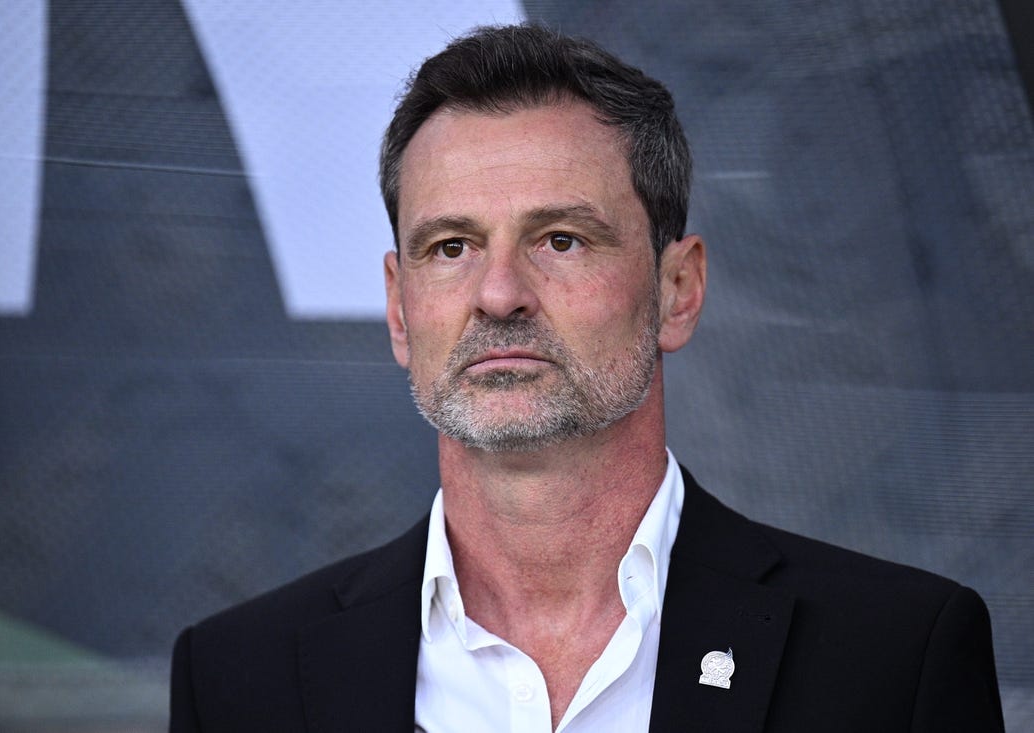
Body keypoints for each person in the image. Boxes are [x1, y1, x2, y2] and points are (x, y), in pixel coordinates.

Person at [169, 24, 1003, 732]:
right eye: (451, 247)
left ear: (678, 290)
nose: (499, 294)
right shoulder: (240, 678)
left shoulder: (894, 660)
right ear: (398, 308)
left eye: (561, 239)